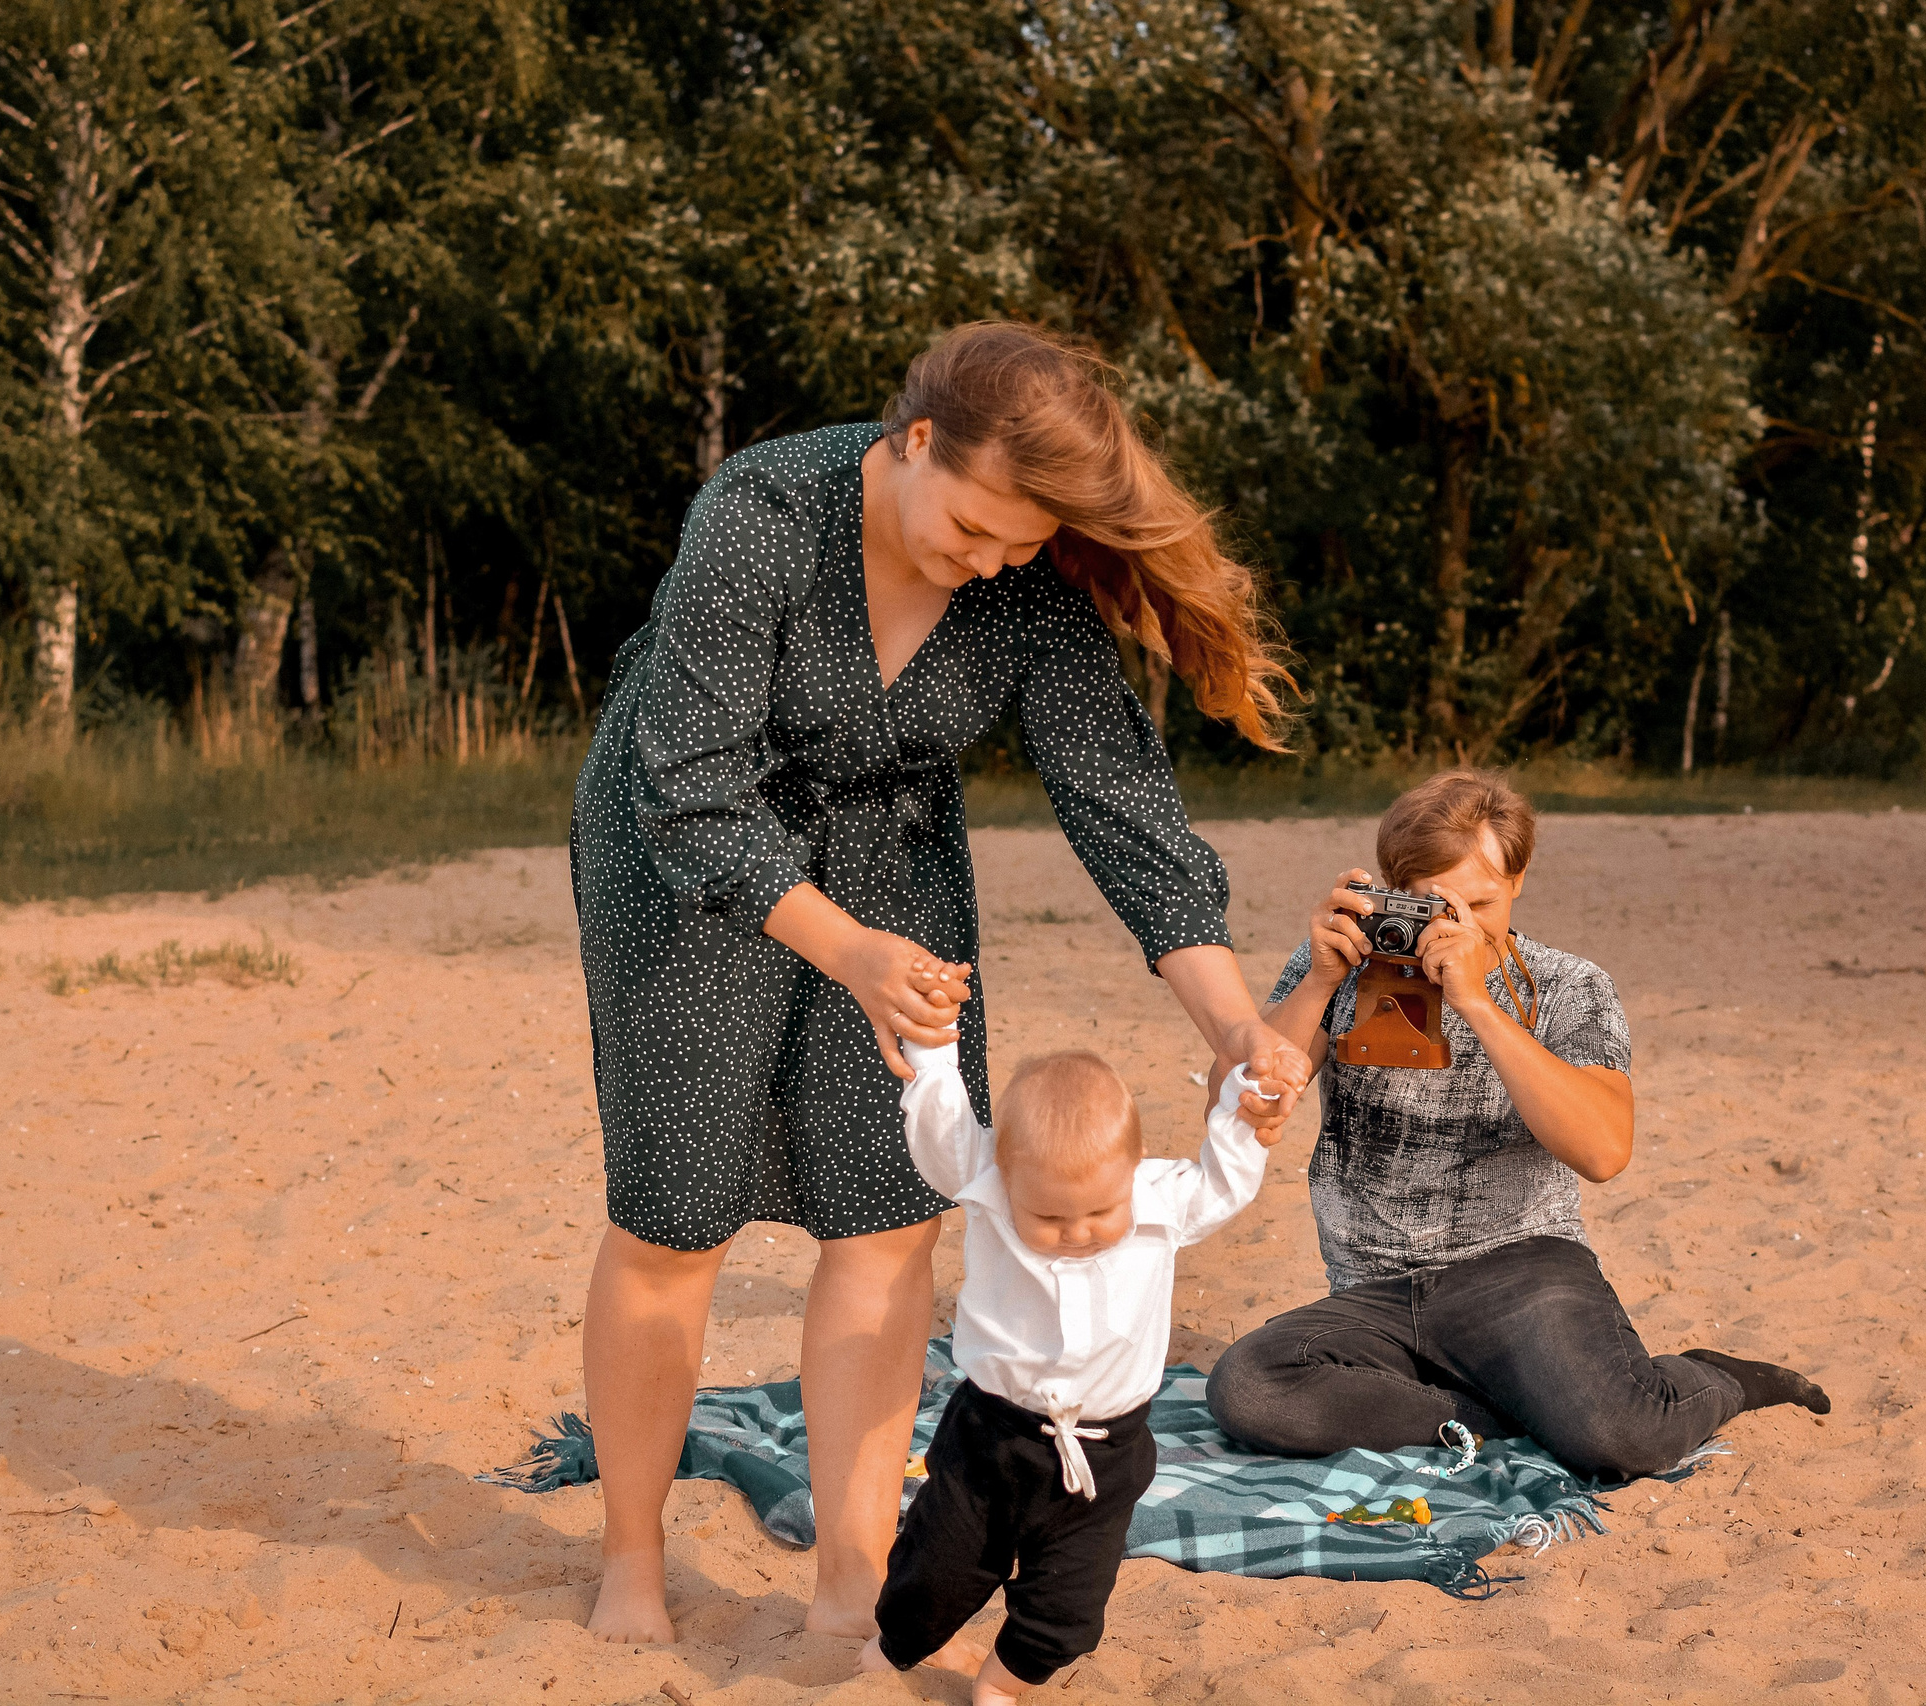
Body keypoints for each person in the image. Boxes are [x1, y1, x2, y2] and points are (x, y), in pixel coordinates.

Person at [568, 321, 1314, 1644]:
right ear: (914, 440)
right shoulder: (762, 513)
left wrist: (1233, 1023)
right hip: (686, 849)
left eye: (1017, 545)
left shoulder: (1023, 572)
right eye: (973, 527)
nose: (989, 562)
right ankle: (631, 1556)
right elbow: (689, 784)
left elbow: (1122, 806)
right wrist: (847, 949)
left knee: (890, 1213)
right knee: (677, 1215)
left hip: (891, 850)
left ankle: (852, 1577)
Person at [1206, 769, 1828, 1481]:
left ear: (1519, 880)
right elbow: (1234, 1102)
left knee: (1621, 1437)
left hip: (1522, 1276)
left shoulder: (1569, 985)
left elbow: (1603, 1151)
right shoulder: (1341, 967)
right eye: (1436, 906)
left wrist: (1476, 1001)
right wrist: (1319, 981)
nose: (1461, 927)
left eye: (1480, 903)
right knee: (1251, 1388)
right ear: (1393, 892)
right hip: (1371, 1292)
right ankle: (1508, 1411)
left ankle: (1717, 1378)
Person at [860, 1043, 1274, 1703]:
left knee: (1068, 1610)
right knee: (935, 1573)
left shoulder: (1159, 1202)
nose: (1078, 1232)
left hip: (1103, 1457)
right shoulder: (987, 1182)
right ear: (1004, 1178)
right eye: (1049, 1218)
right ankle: (892, 1651)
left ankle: (999, 1685)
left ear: (1134, 1169)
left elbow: (1225, 1183)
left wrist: (1246, 1106)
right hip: (990, 1439)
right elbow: (941, 1132)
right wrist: (934, 1051)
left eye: (1101, 1212)